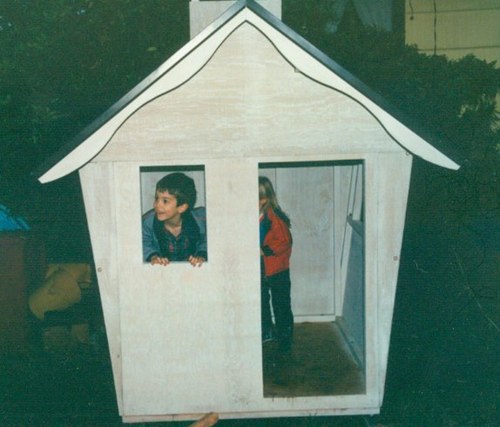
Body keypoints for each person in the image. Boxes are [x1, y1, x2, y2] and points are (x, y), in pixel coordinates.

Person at [259, 176, 293, 353]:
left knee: (281, 303)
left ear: (263, 200)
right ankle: (266, 331)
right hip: (261, 268)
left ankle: (285, 337)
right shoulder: (255, 217)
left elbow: (284, 241)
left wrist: (265, 250)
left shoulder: (274, 217)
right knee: (261, 300)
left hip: (277, 269)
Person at [142, 172, 207, 267]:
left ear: (182, 207)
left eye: (165, 201)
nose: (156, 205)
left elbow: (209, 239)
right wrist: (153, 256)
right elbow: (143, 241)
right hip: (162, 271)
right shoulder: (148, 221)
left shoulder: (201, 219)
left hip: (192, 271)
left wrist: (202, 255)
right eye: (156, 199)